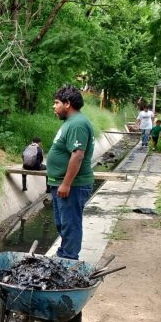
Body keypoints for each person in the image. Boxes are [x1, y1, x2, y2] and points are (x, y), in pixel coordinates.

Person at [47, 86, 94, 261]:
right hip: (61, 184)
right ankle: (64, 255)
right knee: (63, 224)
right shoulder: (70, 123)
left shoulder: (77, 124)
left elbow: (77, 155)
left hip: (73, 185)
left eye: (56, 103)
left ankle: (68, 259)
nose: (54, 107)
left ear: (68, 104)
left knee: (71, 224)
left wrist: (66, 183)